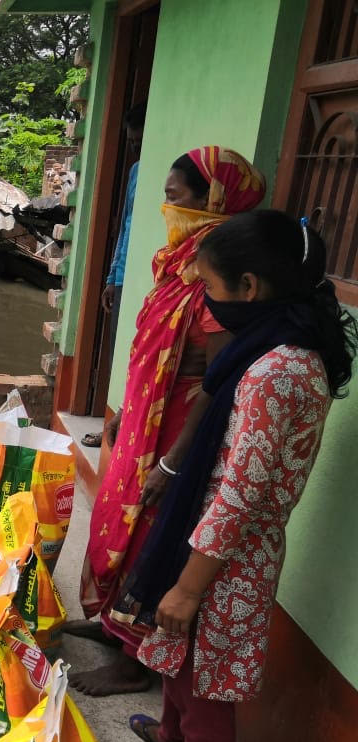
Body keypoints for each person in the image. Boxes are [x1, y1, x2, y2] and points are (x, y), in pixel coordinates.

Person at [110, 209, 357, 742]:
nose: (209, 309)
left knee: (206, 680)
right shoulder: (270, 343)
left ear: (250, 288)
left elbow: (241, 496)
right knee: (181, 655)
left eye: (215, 292)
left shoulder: (279, 369)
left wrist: (190, 585)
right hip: (213, 537)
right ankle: (172, 736)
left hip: (231, 556)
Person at [67, 147, 265, 696]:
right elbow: (154, 349)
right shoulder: (178, 263)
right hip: (146, 416)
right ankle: (111, 624)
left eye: (176, 197)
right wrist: (129, 407)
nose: (167, 207)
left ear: (213, 201)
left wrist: (175, 463)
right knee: (119, 521)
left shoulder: (214, 272)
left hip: (177, 425)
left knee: (150, 529)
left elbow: (216, 376)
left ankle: (135, 662)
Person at [83, 103, 146, 448]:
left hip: (152, 278)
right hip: (126, 277)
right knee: (120, 354)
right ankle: (114, 424)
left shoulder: (174, 174)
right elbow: (126, 225)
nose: (136, 148)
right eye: (132, 142)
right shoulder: (136, 172)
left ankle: (130, 430)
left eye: (140, 141)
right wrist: (112, 276)